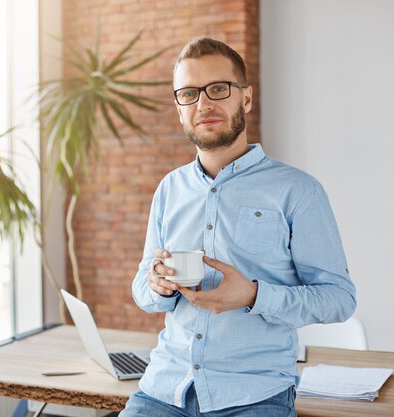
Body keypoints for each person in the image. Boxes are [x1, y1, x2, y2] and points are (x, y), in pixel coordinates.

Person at [121, 37, 356, 417]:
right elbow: (142, 289)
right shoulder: (169, 189)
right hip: (164, 389)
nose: (204, 104)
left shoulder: (298, 190)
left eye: (218, 88)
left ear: (245, 98)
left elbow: (339, 298)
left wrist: (252, 296)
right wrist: (157, 284)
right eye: (189, 94)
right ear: (179, 109)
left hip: (254, 395)